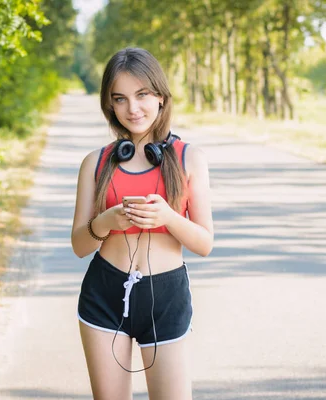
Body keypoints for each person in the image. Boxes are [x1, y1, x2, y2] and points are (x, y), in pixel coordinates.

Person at [70, 47, 214, 400]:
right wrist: (105, 221)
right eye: (120, 99)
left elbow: (204, 243)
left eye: (142, 95)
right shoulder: (96, 162)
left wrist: (168, 218)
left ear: (161, 97)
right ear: (110, 105)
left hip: (165, 296)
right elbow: (79, 245)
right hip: (103, 293)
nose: (132, 108)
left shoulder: (189, 158)